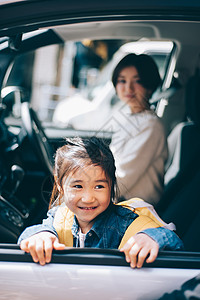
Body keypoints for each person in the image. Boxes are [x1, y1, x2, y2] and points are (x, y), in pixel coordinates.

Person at [18, 137, 182, 267]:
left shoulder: (126, 224)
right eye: (78, 186)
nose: (88, 198)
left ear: (111, 186)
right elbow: (31, 234)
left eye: (99, 186)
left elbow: (175, 243)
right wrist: (41, 235)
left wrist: (151, 237)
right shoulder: (59, 217)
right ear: (60, 186)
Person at [110, 53, 168, 205]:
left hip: (137, 211)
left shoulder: (150, 125)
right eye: (122, 80)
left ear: (150, 86)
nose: (128, 88)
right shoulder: (129, 118)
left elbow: (123, 179)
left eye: (138, 81)